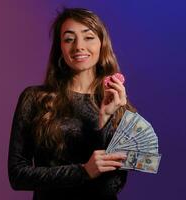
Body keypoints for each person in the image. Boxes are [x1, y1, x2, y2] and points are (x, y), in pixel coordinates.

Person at [8, 7, 137, 200]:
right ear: (60, 48)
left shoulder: (119, 105)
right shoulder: (34, 98)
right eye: (69, 39)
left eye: (89, 37)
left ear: (102, 44)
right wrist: (83, 171)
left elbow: (112, 187)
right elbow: (17, 176)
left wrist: (105, 119)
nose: (78, 46)